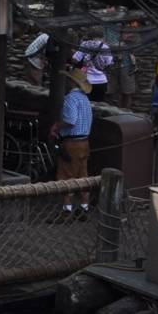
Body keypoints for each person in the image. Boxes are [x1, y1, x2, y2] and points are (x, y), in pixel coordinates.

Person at [52, 67, 94, 212]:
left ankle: (67, 210)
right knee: (83, 175)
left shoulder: (71, 98)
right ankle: (84, 207)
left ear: (72, 82)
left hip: (72, 143)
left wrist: (58, 126)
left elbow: (70, 120)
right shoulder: (85, 99)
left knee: (67, 176)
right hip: (84, 142)